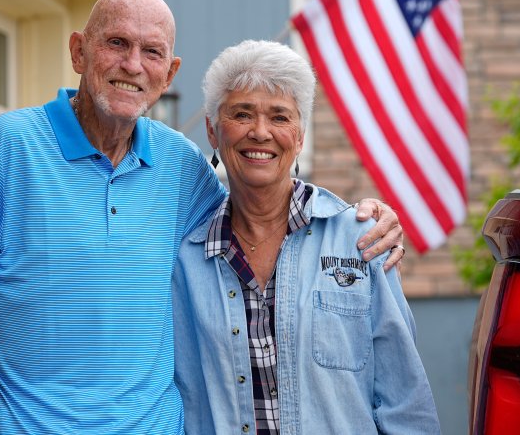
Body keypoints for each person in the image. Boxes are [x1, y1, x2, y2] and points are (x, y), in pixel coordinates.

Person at [0, 0, 404, 435]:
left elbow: (261, 211)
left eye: (151, 52)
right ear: (78, 52)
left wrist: (357, 216)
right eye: (116, 43)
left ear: (168, 73)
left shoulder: (180, 166)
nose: (132, 65)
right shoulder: (10, 146)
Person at [171, 40, 440, 433]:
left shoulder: (362, 241)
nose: (260, 132)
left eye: (279, 117)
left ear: (299, 136)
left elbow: (405, 402)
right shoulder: (185, 260)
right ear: (213, 131)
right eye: (241, 114)